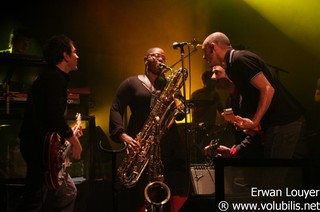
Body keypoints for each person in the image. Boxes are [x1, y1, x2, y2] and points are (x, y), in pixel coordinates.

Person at [202, 32, 307, 188]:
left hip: (285, 123)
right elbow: (255, 97)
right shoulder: (232, 67)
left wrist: (254, 121)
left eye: (205, 52)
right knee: (270, 181)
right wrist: (249, 126)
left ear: (213, 47)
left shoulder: (239, 59)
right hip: (275, 125)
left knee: (273, 182)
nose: (204, 58)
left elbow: (267, 89)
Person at [109, 47, 186, 211]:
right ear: (146, 59)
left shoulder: (167, 85)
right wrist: (123, 136)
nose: (161, 60)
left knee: (170, 182)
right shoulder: (131, 83)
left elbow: (179, 113)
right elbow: (116, 108)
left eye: (164, 58)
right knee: (137, 189)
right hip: (140, 139)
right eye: (156, 56)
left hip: (166, 141)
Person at [17, 34, 83, 212]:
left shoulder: (52, 78)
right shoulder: (54, 79)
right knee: (34, 199)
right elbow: (54, 117)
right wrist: (75, 143)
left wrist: (69, 133)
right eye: (74, 52)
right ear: (65, 55)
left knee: (67, 192)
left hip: (43, 147)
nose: (77, 56)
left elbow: (50, 119)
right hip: (39, 148)